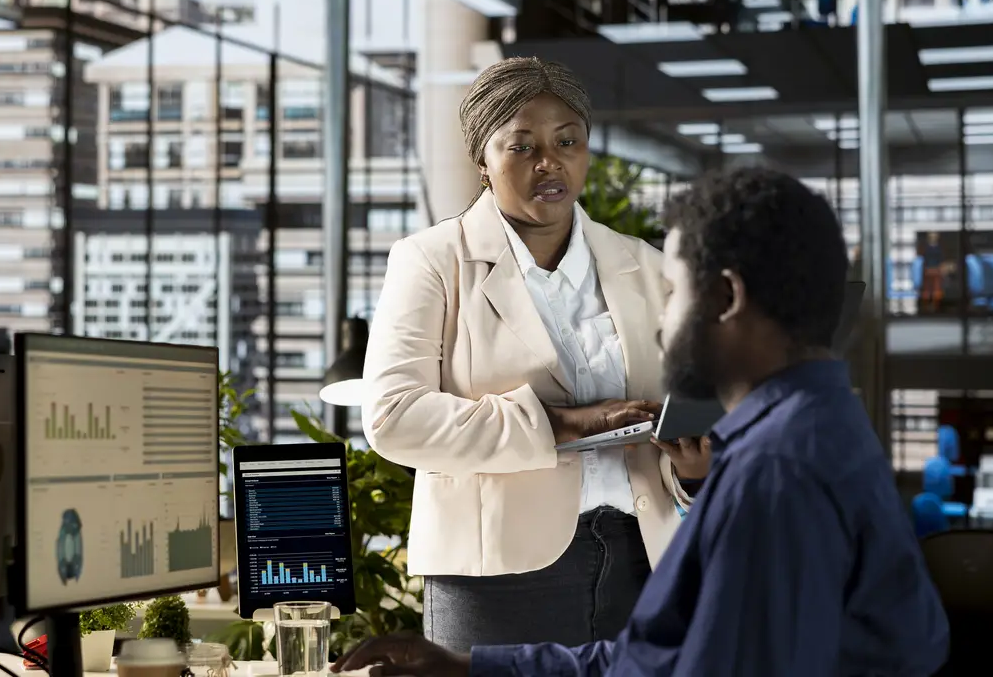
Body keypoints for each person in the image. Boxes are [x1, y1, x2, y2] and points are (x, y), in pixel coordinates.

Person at [335, 167, 951, 677]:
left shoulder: (774, 474)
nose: (661, 322)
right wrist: (469, 668)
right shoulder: (814, 430)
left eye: (675, 292)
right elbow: (659, 660)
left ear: (727, 299)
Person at [359, 57, 708, 652]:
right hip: (499, 574)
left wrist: (694, 474)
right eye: (522, 147)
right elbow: (393, 417)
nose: (550, 162)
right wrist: (558, 424)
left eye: (567, 141)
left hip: (642, 559)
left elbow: (684, 410)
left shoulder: (648, 268)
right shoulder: (431, 261)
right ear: (483, 161)